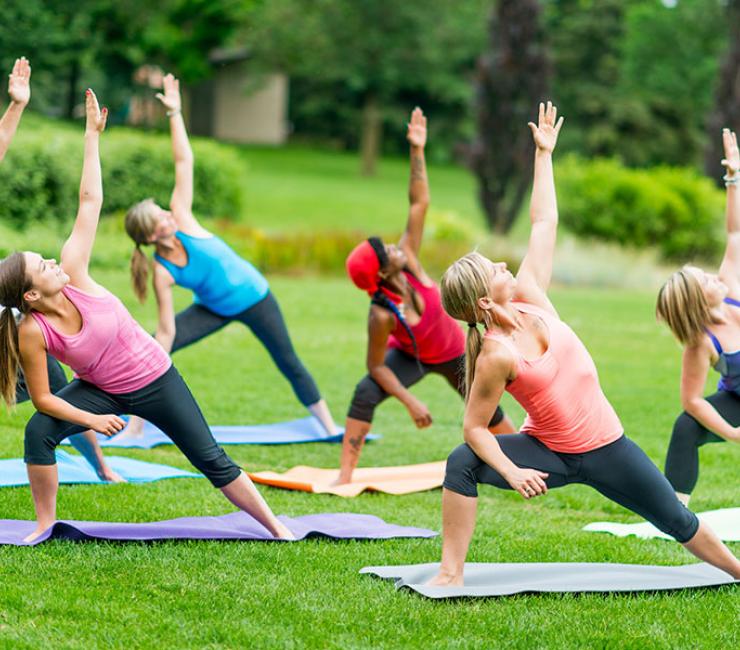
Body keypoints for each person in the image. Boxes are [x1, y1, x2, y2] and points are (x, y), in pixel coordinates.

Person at [428, 102, 740, 586]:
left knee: (677, 521)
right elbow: (474, 429)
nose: (504, 266)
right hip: (549, 453)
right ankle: (450, 574)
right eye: (494, 269)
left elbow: (543, 224)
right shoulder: (496, 354)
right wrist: (512, 472)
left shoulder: (532, 296)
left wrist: (544, 155)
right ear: (485, 302)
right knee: (460, 463)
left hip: (609, 448)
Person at [0, 88, 292, 543]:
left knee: (209, 457)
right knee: (39, 431)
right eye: (43, 266)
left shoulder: (74, 272)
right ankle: (43, 524)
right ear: (32, 294)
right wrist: (92, 420)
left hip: (157, 378)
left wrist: (92, 136)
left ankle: (276, 527)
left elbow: (89, 202)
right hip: (102, 392)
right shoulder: (31, 331)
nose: (53, 262)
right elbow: (43, 399)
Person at [121, 73, 337, 440]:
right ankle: (134, 424)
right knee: (153, 349)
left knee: (288, 362)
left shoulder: (184, 219)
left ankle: (329, 426)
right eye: (162, 218)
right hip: (214, 308)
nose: (169, 215)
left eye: (165, 212)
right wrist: (157, 354)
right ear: (153, 235)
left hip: (255, 297)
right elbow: (168, 329)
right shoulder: (162, 271)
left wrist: (175, 114)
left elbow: (183, 163)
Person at [338, 107, 515, 484]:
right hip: (412, 358)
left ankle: (519, 464)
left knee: (488, 411)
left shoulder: (411, 262)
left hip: (454, 351)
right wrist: (409, 400)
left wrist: (417, 150)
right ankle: (344, 476)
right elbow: (376, 366)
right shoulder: (381, 313)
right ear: (383, 272)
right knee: (365, 392)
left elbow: (419, 204)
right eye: (387, 251)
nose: (395, 246)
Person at [0, 57, 121, 483]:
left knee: (56, 387)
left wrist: (17, 105)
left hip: (9, 327)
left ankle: (103, 467)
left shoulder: (22, 315)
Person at [656, 128, 740, 506]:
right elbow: (693, 401)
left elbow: (735, 233)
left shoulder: (732, 292)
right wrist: (735, 435)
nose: (713, 275)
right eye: (704, 279)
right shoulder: (701, 343)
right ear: (695, 302)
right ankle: (676, 512)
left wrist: (733, 178)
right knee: (686, 427)